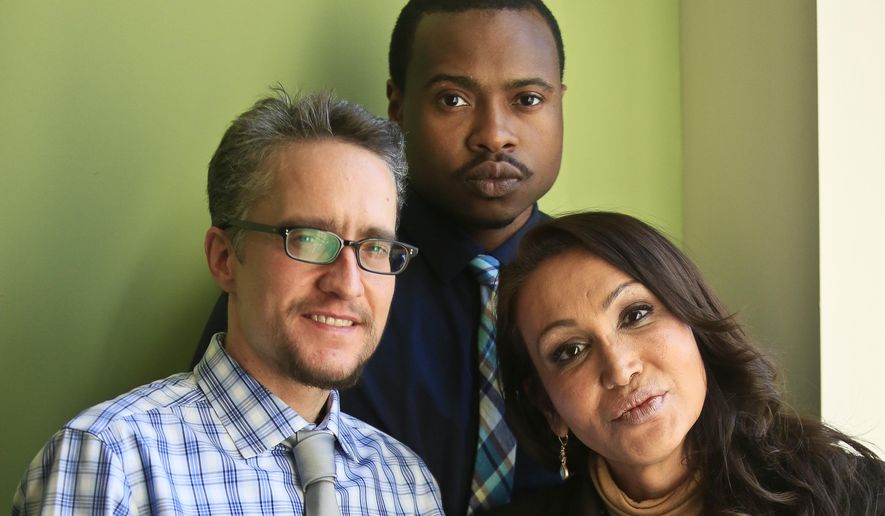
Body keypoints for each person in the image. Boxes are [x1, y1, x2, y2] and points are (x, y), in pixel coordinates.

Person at [193, 1, 567, 514]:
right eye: (453, 99)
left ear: (560, 102)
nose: (493, 134)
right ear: (398, 105)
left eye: (528, 98)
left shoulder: (609, 286)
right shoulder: (313, 284)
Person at [12, 89, 444, 515]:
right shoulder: (111, 463)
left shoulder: (406, 484)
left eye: (373, 248)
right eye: (309, 239)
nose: (348, 284)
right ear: (225, 259)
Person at [490, 211, 885, 515]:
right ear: (547, 403)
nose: (620, 369)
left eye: (636, 314)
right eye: (570, 351)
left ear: (694, 320)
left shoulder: (852, 494)